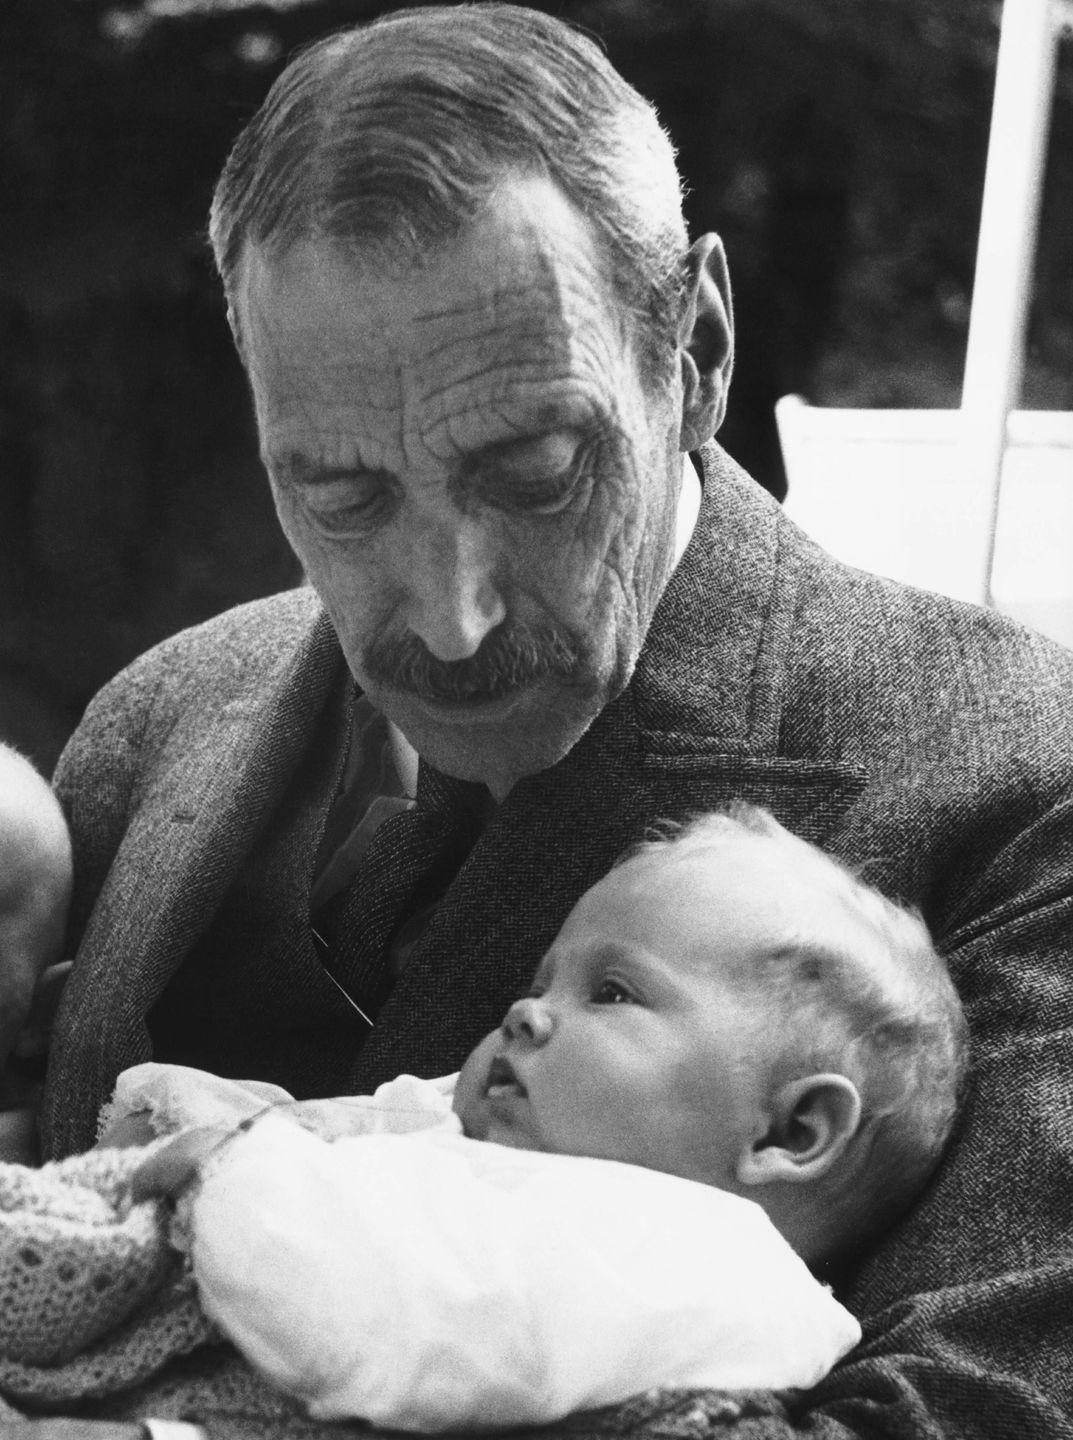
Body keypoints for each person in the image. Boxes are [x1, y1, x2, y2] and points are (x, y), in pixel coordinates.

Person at [10, 3, 1073, 1435]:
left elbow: (971, 1412)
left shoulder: (1021, 780)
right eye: (342, 497)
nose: (449, 617)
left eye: (535, 471)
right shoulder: (157, 717)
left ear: (693, 349)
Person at [1, 807, 964, 1433]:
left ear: (787, 1135)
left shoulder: (692, 1263)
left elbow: (375, 1311)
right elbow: (378, 1128)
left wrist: (237, 1170)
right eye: (540, 979)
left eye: (615, 993)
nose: (527, 1011)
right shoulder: (540, 1153)